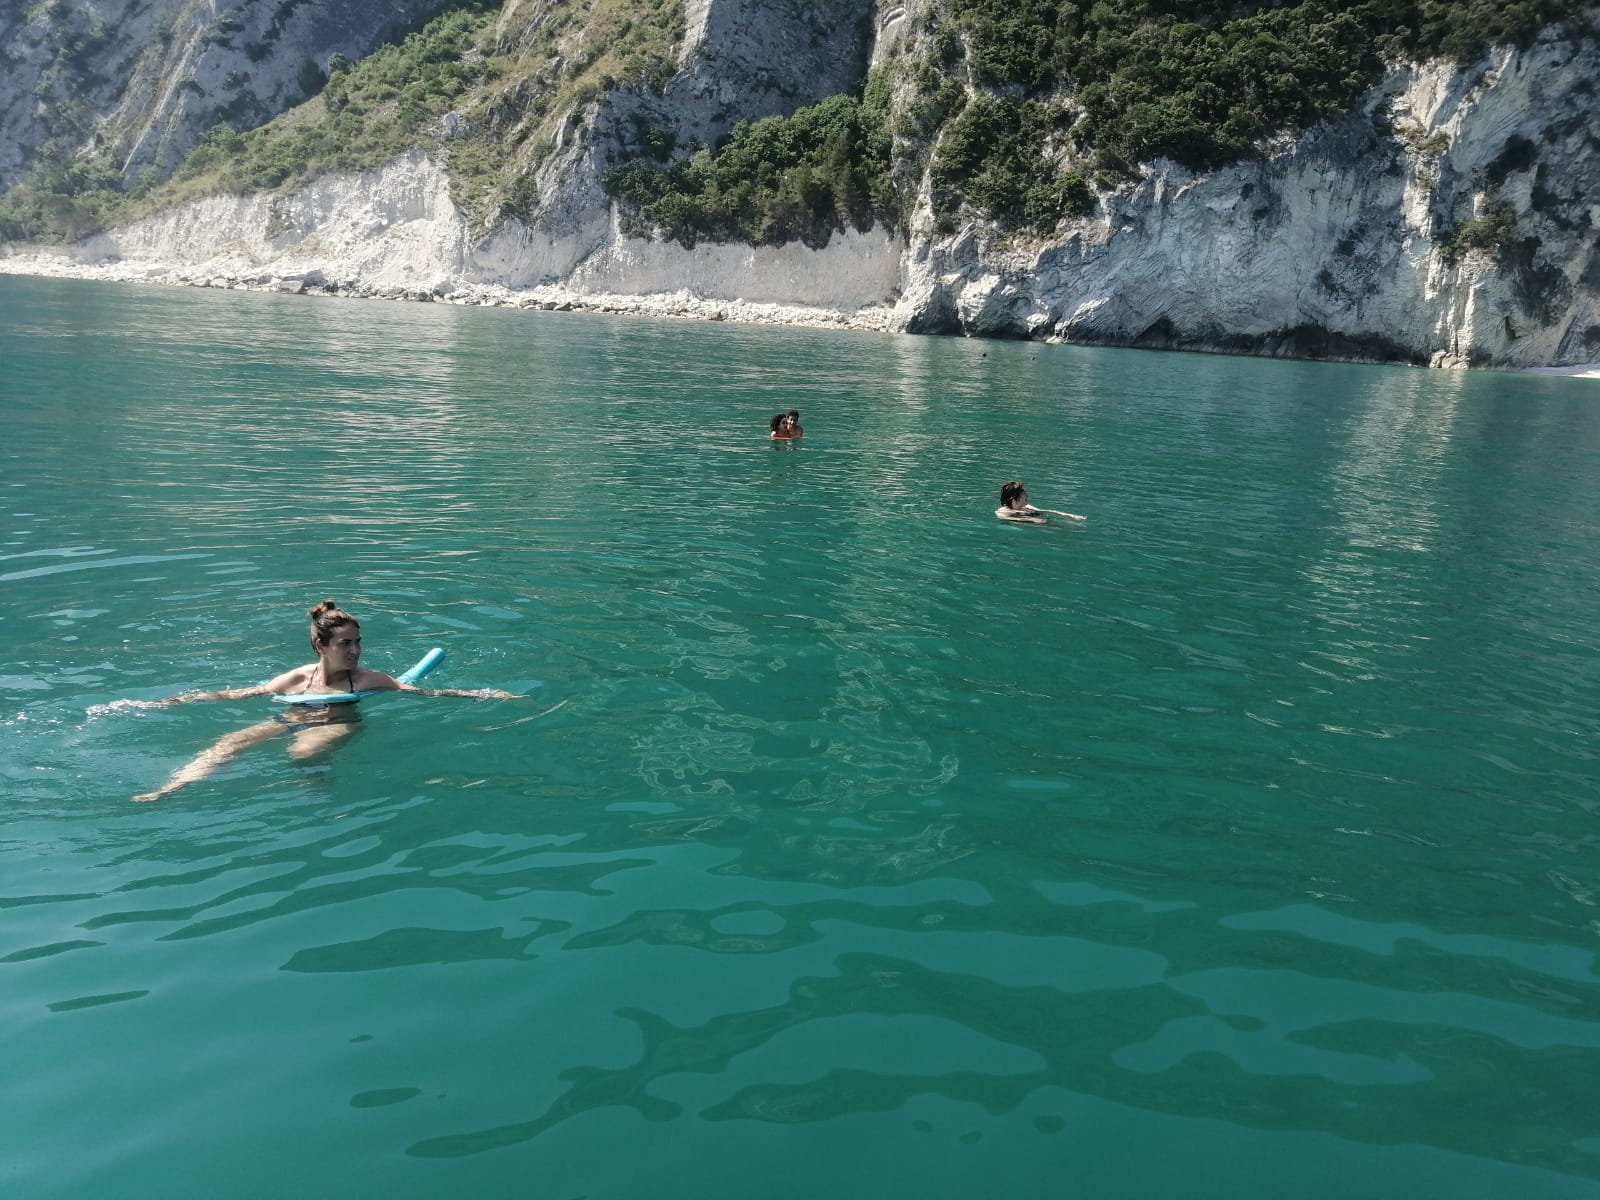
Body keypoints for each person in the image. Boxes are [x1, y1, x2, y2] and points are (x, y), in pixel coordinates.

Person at [132, 600, 518, 801]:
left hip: (339, 721)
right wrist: (175, 701)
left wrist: (483, 695)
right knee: (228, 743)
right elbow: (241, 692)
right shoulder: (297, 678)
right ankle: (172, 788)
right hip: (290, 717)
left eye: (358, 642)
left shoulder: (369, 679)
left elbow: (423, 692)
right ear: (321, 645)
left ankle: (316, 785)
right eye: (345, 643)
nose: (355, 650)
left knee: (302, 754)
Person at [996, 481, 1085, 524]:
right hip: (1034, 522)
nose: (1027, 495)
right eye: (1023, 494)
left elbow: (1045, 511)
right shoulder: (1002, 512)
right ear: (1014, 500)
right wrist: (1034, 520)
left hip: (1039, 521)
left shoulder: (1028, 506)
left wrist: (1069, 515)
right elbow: (1010, 520)